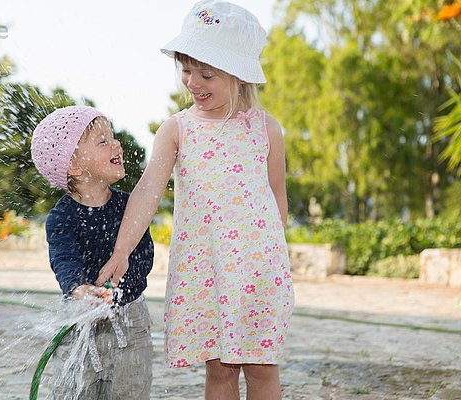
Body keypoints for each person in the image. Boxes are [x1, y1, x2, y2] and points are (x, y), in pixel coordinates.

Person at [95, 1, 295, 399]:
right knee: (219, 372)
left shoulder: (266, 128)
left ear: (238, 74)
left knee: (261, 370)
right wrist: (122, 249)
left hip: (256, 270)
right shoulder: (177, 129)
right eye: (186, 70)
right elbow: (149, 189)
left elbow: (278, 201)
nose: (193, 82)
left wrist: (272, 266)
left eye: (207, 73)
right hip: (208, 268)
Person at [30, 105, 154, 399]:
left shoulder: (129, 206)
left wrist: (123, 287)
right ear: (73, 166)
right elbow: (63, 258)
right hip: (82, 317)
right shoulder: (62, 217)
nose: (117, 144)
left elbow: (144, 253)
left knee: (131, 388)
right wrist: (78, 288)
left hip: (130, 316)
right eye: (103, 141)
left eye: (113, 137)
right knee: (76, 389)